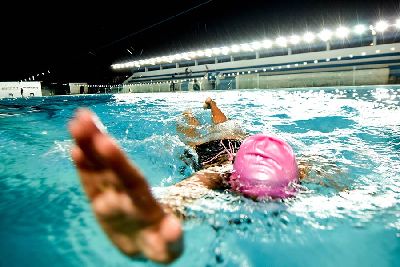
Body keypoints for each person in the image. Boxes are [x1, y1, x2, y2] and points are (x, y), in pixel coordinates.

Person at [68, 97, 311, 264]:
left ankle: (212, 104)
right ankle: (194, 111)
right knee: (196, 134)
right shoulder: (220, 173)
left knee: (226, 128)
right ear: (234, 179)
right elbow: (187, 190)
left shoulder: (300, 169)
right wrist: (159, 212)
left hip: (238, 145)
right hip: (211, 150)